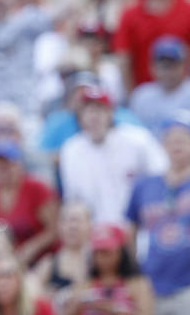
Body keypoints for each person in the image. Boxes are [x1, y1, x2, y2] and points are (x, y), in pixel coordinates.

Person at [126, 114, 190, 315]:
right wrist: (135, 274)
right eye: (171, 139)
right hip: (153, 284)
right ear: (163, 145)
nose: (177, 145)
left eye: (183, 139)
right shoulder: (146, 184)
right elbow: (129, 227)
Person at [59, 87, 167, 225]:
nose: (94, 117)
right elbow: (73, 199)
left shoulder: (138, 139)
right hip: (95, 233)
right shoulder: (71, 149)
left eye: (99, 110)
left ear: (110, 113)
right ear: (79, 116)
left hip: (138, 227)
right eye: (87, 111)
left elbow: (161, 177)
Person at [0, 142, 58, 267]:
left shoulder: (37, 189)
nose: (3, 169)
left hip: (36, 261)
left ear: (20, 165)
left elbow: (53, 230)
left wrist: (31, 248)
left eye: (8, 164)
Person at [61, 223, 155, 315]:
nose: (100, 258)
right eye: (97, 252)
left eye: (106, 252)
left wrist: (111, 310)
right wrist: (76, 305)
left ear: (120, 253)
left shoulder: (137, 284)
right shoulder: (85, 285)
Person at [127, 36, 190, 133]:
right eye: (164, 66)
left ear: (185, 66)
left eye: (173, 66)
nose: (168, 72)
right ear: (152, 67)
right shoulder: (142, 95)